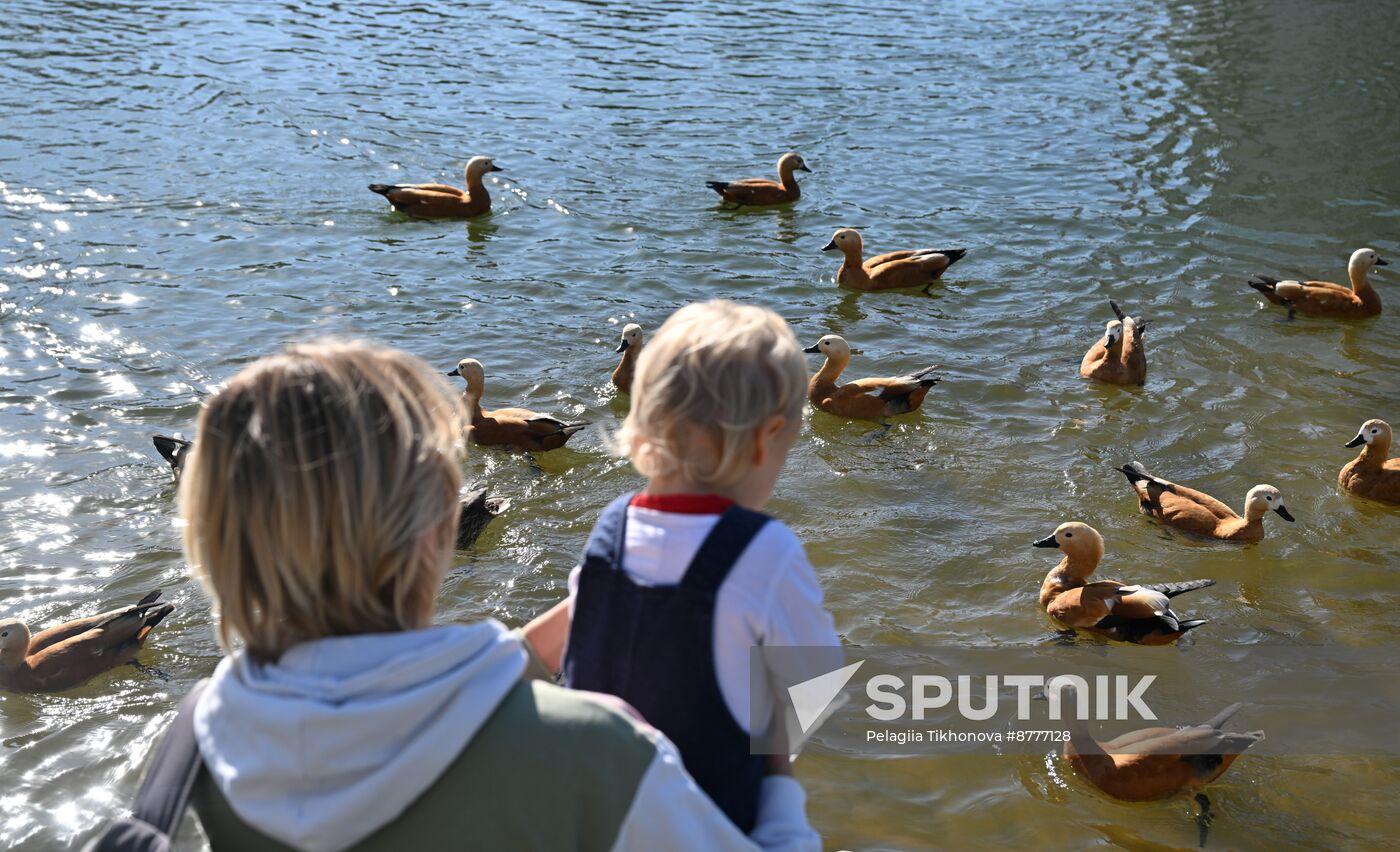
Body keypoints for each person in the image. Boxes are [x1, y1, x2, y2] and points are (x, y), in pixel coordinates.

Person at [169, 340, 818, 851]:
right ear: (434, 533)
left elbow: (416, 698)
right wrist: (779, 769)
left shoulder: (205, 732)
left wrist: (584, 608)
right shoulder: (601, 747)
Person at [527, 301, 842, 834]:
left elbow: (547, 648)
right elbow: (817, 689)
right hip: (704, 824)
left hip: (584, 819)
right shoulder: (766, 551)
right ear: (768, 439)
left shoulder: (614, 526)